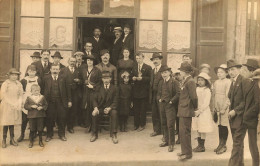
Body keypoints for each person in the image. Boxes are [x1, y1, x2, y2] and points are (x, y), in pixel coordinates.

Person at [43, 64, 72, 142]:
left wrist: (69, 100)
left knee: (62, 118)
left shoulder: (64, 78)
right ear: (51, 70)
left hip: (61, 102)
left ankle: (62, 135)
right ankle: (49, 135)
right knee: (49, 118)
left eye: (56, 69)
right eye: (53, 69)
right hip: (50, 102)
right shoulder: (46, 78)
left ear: (59, 70)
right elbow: (42, 90)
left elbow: (68, 90)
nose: (55, 71)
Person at [227, 59, 248, 166]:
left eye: (233, 69)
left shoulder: (244, 81)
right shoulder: (233, 82)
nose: (231, 72)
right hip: (233, 118)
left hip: (241, 117)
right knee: (239, 143)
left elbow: (246, 100)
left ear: (239, 69)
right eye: (229, 70)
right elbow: (230, 96)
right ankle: (240, 164)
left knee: (236, 144)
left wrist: (235, 111)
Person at [90, 71, 119, 144]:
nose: (106, 80)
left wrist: (109, 108)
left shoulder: (114, 88)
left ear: (110, 79)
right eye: (104, 78)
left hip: (110, 108)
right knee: (94, 113)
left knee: (114, 113)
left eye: (108, 78)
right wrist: (95, 108)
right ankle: (94, 133)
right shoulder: (98, 88)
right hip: (100, 108)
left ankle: (114, 134)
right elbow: (94, 99)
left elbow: (116, 101)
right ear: (102, 79)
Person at [177, 62, 198, 160]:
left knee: (185, 132)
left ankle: (188, 154)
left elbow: (194, 97)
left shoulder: (191, 81)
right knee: (182, 132)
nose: (180, 72)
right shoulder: (186, 80)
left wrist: (195, 108)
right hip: (183, 109)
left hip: (187, 109)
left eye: (181, 70)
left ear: (185, 72)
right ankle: (184, 151)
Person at [157, 66, 180, 152]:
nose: (164, 74)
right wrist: (159, 98)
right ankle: (166, 141)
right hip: (162, 105)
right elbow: (158, 93)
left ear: (170, 73)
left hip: (170, 106)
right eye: (162, 73)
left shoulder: (174, 82)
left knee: (170, 125)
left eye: (165, 72)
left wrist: (171, 101)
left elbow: (178, 93)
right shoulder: (161, 82)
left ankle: (171, 144)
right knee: (163, 123)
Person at [17, 65, 42, 142]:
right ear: (27, 71)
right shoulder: (23, 80)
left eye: (33, 71)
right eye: (30, 71)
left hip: (35, 100)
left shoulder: (38, 79)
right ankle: (22, 134)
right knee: (24, 119)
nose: (31, 73)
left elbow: (41, 90)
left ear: (36, 72)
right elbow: (20, 92)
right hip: (26, 100)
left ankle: (33, 133)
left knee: (34, 118)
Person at [242, 59, 260, 166]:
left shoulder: (256, 84)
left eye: (245, 70)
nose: (244, 73)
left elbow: (257, 103)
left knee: (254, 145)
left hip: (253, 119)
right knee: (252, 145)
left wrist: (247, 114)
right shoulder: (250, 83)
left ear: (251, 71)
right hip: (250, 119)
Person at [0, 68, 23, 148]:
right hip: (7, 105)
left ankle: (12, 139)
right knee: (6, 122)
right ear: (9, 75)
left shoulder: (18, 84)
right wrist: (11, 103)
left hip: (15, 105)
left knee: (12, 122)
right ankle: (4, 139)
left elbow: (20, 95)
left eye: (16, 75)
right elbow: (3, 95)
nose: (14, 77)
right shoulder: (6, 84)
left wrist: (18, 103)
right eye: (12, 75)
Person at [192, 72, 214, 152]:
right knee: (197, 127)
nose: (200, 82)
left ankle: (202, 146)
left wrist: (200, 111)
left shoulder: (207, 90)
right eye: (199, 80)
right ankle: (199, 145)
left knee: (202, 128)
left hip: (203, 112)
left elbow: (206, 103)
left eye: (202, 80)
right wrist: (195, 109)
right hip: (196, 110)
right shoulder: (196, 89)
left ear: (206, 81)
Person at [212, 64, 231, 154]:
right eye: (218, 72)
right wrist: (215, 107)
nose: (219, 74)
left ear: (226, 73)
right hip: (218, 106)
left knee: (224, 125)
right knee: (219, 125)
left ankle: (224, 145)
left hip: (224, 106)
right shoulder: (216, 82)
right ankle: (220, 143)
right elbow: (214, 95)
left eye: (221, 72)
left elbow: (228, 97)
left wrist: (224, 108)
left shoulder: (228, 82)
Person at [62, 57, 82, 133]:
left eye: (74, 61)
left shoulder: (78, 71)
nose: (72, 63)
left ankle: (70, 127)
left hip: (75, 93)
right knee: (65, 109)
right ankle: (63, 125)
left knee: (73, 110)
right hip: (65, 93)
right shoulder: (63, 70)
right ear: (68, 61)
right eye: (71, 61)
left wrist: (79, 81)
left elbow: (81, 81)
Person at [82, 54, 102, 131]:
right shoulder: (83, 69)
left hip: (94, 92)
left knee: (92, 107)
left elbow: (100, 83)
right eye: (88, 60)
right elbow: (82, 79)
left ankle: (93, 126)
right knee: (86, 107)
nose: (89, 62)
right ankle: (88, 125)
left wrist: (93, 87)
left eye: (91, 60)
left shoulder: (97, 70)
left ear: (93, 62)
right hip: (85, 91)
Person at [132, 53, 152, 131]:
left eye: (139, 58)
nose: (138, 60)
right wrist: (132, 78)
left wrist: (142, 78)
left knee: (143, 109)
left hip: (144, 91)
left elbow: (150, 78)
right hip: (135, 91)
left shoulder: (148, 67)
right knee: (136, 109)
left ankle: (142, 124)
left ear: (143, 58)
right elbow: (131, 76)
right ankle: (136, 124)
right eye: (137, 58)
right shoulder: (134, 67)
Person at [149, 52, 164, 137]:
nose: (155, 61)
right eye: (154, 59)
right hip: (154, 95)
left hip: (161, 95)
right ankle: (156, 130)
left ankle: (163, 131)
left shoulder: (164, 70)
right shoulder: (152, 70)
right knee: (154, 113)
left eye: (157, 59)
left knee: (162, 113)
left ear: (160, 60)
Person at [73, 51, 86, 126]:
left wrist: (80, 81)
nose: (79, 58)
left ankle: (81, 121)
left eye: (80, 57)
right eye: (77, 57)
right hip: (74, 88)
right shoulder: (73, 65)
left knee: (82, 104)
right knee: (74, 105)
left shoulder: (85, 66)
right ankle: (74, 121)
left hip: (82, 88)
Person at [172, 70, 182, 144]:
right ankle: (178, 133)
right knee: (177, 120)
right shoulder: (175, 82)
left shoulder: (185, 82)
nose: (177, 76)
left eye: (179, 74)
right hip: (176, 104)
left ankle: (180, 137)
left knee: (181, 122)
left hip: (182, 105)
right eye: (176, 75)